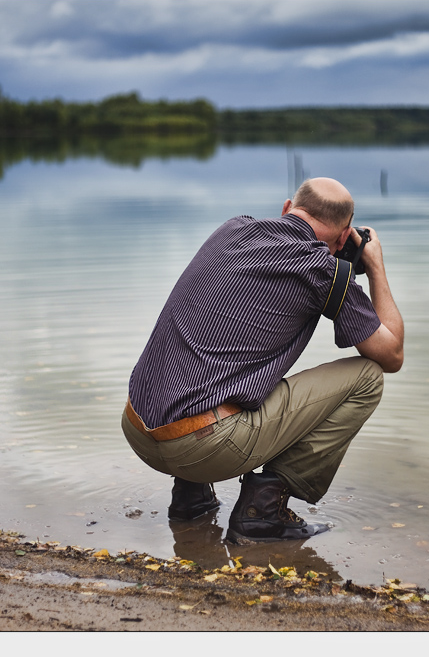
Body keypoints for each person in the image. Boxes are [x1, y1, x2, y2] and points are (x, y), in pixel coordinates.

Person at [122, 177, 404, 543]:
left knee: (211, 362)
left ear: (287, 208)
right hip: (201, 448)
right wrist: (375, 267)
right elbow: (391, 354)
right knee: (367, 376)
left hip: (138, 429)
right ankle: (262, 511)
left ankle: (190, 498)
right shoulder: (325, 269)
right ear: (343, 236)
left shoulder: (232, 229)